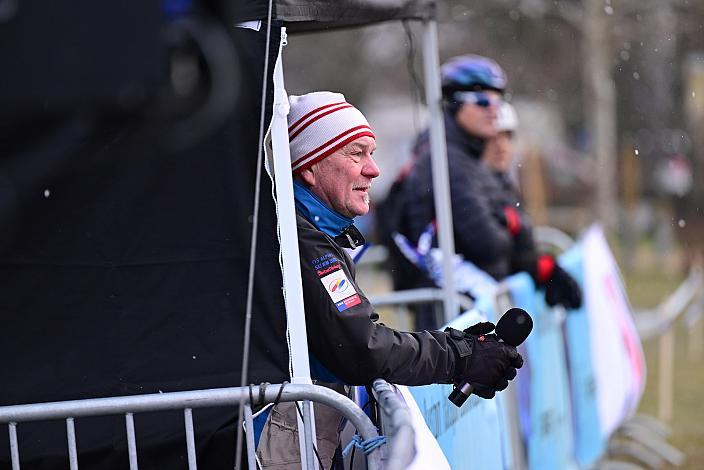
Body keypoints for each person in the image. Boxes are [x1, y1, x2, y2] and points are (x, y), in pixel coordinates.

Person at [256, 91, 524, 469]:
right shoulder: (302, 240)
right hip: (276, 435)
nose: (373, 169)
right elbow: (362, 347)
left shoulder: (313, 231)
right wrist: (459, 356)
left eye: (372, 152)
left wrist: (457, 344)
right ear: (308, 168)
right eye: (355, 153)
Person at [387, 55, 580, 330]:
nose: (494, 110)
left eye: (498, 101)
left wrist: (531, 256)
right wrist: (508, 223)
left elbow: (508, 228)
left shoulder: (467, 156)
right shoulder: (446, 159)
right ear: (454, 104)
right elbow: (487, 243)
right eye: (482, 101)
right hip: (453, 315)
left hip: (471, 309)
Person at [481, 102, 582, 310]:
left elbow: (519, 245)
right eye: (491, 137)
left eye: (506, 136)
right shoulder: (476, 189)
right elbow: (496, 253)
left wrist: (543, 267)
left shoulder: (504, 186)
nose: (500, 145)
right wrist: (538, 268)